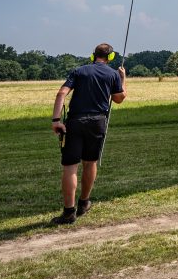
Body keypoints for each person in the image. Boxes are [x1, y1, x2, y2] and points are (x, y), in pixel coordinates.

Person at [50, 43, 126, 225]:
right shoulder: (112, 74)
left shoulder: (79, 71)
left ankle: (69, 212)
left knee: (70, 166)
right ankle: (84, 203)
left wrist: (56, 121)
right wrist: (122, 79)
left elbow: (61, 93)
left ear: (93, 56)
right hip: (98, 122)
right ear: (111, 57)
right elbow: (119, 99)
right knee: (90, 162)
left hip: (75, 122)